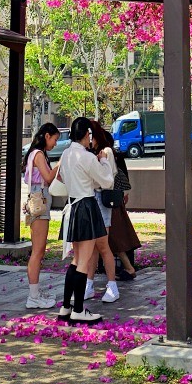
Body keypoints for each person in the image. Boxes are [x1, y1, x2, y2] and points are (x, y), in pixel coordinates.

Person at [54, 117, 115, 324]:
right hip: (86, 206)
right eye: (90, 135)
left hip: (71, 206)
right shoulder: (87, 157)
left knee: (76, 259)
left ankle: (65, 307)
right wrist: (104, 160)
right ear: (86, 135)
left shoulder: (66, 153)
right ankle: (78, 309)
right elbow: (107, 181)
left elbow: (61, 177)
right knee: (83, 261)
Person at [22, 122, 61, 310]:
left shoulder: (37, 154)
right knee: (38, 251)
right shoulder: (38, 154)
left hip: (39, 199)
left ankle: (35, 293)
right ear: (47, 136)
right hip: (40, 201)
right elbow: (47, 177)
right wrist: (61, 164)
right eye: (54, 139)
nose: (55, 144)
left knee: (39, 250)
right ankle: (33, 296)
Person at [82, 121, 120, 304]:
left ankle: (112, 285)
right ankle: (89, 285)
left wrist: (101, 161)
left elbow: (107, 179)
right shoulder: (93, 153)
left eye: (90, 135)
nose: (88, 139)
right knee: (93, 247)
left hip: (102, 199)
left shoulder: (107, 152)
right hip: (92, 198)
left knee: (103, 245)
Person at [107, 144, 141, 278]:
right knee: (112, 239)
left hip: (110, 202)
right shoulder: (113, 155)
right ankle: (127, 267)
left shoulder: (107, 154)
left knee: (111, 238)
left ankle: (126, 268)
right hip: (114, 201)